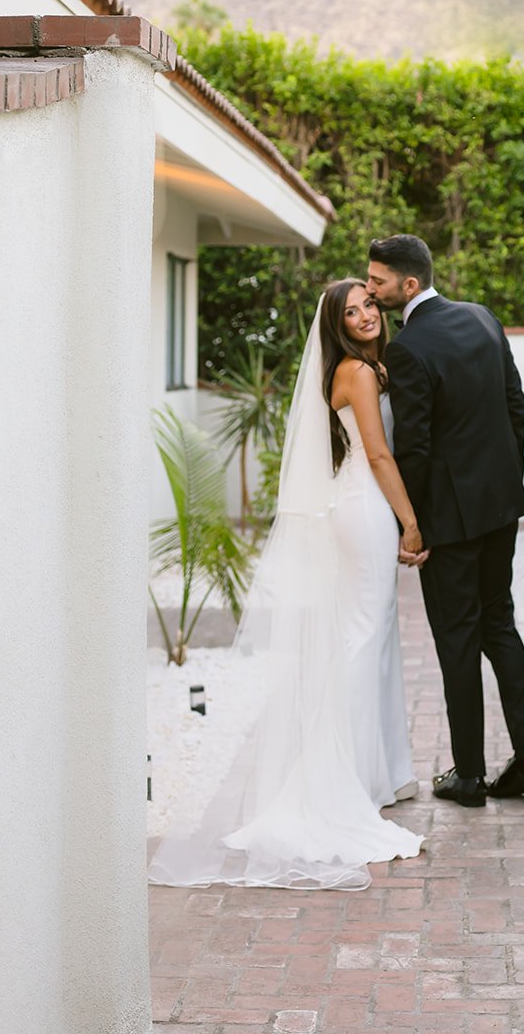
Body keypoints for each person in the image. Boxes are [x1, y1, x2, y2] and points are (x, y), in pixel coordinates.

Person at [148, 278, 424, 889]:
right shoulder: (355, 371)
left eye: (370, 304)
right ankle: (340, 779)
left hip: (357, 507)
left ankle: (370, 773)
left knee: (370, 638)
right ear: (337, 325)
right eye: (352, 311)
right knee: (362, 638)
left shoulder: (361, 367)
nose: (366, 315)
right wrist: (410, 522)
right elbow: (379, 456)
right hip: (368, 507)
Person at [367, 234, 524, 808]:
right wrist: (501, 479)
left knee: (456, 640)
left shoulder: (407, 348)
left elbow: (414, 449)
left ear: (410, 285)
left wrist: (410, 525)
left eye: (378, 282)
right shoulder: (482, 318)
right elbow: (515, 405)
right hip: (501, 508)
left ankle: (468, 774)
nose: (371, 291)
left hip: (448, 522)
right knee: (500, 625)